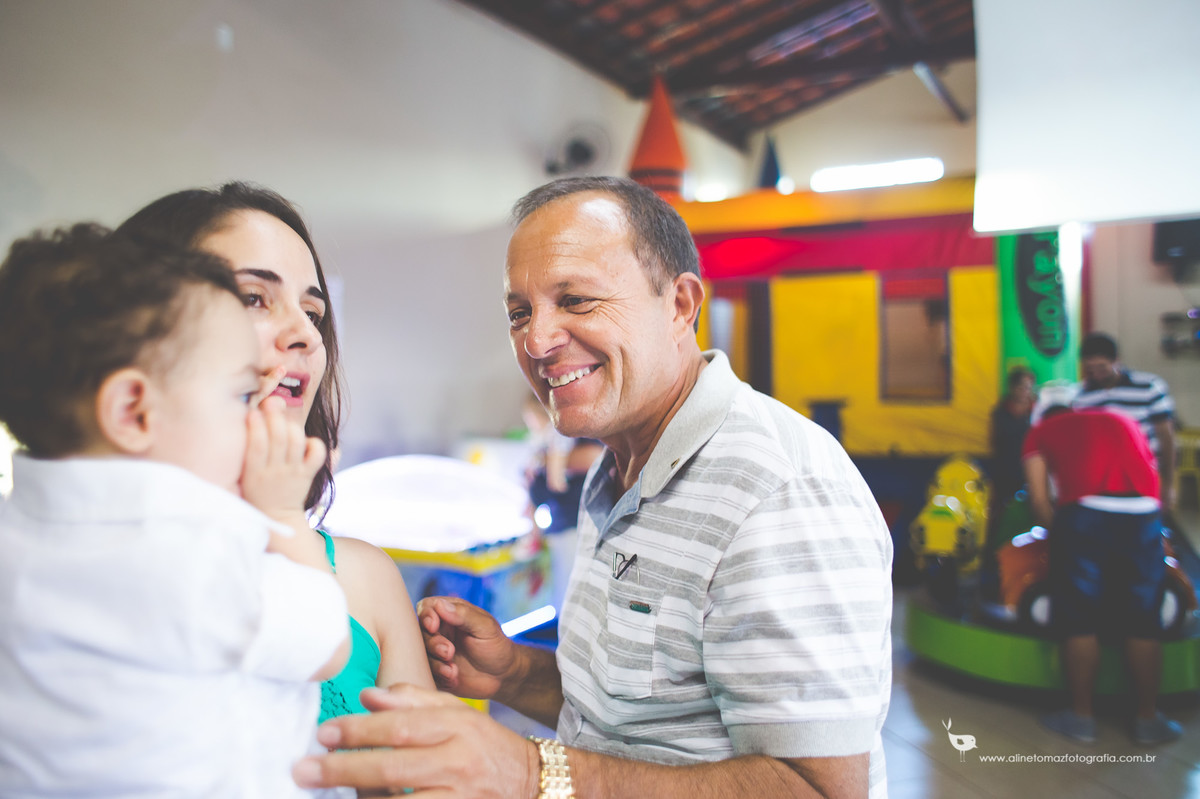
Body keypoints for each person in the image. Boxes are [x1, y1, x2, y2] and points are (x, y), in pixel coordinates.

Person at [295, 176, 894, 797]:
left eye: (576, 300)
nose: (537, 340)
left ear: (681, 305)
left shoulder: (777, 490)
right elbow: (632, 724)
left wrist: (531, 772)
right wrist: (512, 673)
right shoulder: (618, 471)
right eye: (520, 313)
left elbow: (819, 789)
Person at [0, 224, 350, 796]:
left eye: (315, 312)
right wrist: (284, 514)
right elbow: (326, 641)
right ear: (134, 411)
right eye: (239, 395)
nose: (255, 408)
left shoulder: (14, 537)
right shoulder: (194, 550)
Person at [116, 182, 434, 720]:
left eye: (313, 312)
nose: (307, 336)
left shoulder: (367, 579)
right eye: (254, 298)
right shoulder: (65, 566)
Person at [1022, 383, 1183, 746]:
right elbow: (1150, 473)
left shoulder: (1039, 431)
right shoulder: (1120, 418)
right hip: (1143, 512)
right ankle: (1148, 719)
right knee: (1144, 619)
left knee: (1080, 618)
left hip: (1086, 512)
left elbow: (1038, 497)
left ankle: (1081, 717)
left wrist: (1056, 532)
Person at [1072, 332, 1177, 513]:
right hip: (1102, 483)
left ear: (1116, 361)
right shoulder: (1081, 397)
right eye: (1090, 369)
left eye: (1102, 367)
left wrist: (1168, 482)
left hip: (1146, 477)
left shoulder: (1149, 386)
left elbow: (1166, 436)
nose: (1096, 374)